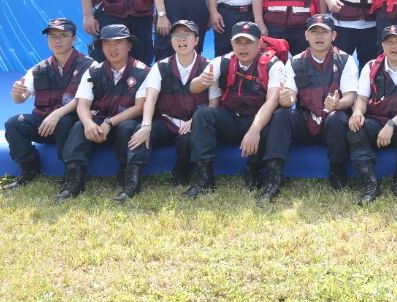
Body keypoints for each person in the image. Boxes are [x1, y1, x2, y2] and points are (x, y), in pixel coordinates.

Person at [185, 20, 287, 201]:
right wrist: (202, 80)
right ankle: (204, 178)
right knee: (203, 114)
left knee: (278, 118)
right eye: (238, 42)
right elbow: (193, 88)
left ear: (259, 44)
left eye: (248, 42)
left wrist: (254, 130)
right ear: (231, 43)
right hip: (231, 119)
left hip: (258, 121)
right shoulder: (222, 61)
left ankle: (258, 171)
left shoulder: (273, 64)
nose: (243, 47)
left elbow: (272, 101)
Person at [56, 24, 149, 202]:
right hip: (98, 124)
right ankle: (74, 180)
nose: (112, 48)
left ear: (129, 45)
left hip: (123, 122)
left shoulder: (143, 71)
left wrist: (110, 122)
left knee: (128, 127)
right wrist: (88, 123)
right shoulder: (93, 71)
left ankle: (126, 176)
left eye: (118, 42)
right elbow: (82, 104)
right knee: (79, 126)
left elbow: (139, 107)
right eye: (107, 43)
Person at [119, 19, 210, 192]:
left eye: (187, 35)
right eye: (176, 35)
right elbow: (151, 97)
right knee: (141, 132)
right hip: (167, 121)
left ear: (196, 40)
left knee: (188, 140)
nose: (181, 39)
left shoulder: (208, 66)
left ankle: (181, 172)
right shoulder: (160, 66)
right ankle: (132, 181)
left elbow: (214, 103)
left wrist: (196, 120)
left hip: (193, 123)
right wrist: (146, 125)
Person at [1, 18, 93, 190]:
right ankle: (29, 169)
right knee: (14, 123)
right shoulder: (38, 68)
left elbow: (84, 99)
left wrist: (57, 114)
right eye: (52, 36)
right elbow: (20, 99)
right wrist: (17, 93)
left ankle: (72, 175)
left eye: (63, 36)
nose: (57, 40)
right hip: (45, 125)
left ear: (74, 39)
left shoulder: (89, 65)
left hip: (72, 125)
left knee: (65, 120)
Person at [273, 14, 359, 193]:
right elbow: (290, 95)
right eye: (314, 32)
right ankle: (274, 174)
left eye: (324, 32)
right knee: (281, 114)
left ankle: (337, 170)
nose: (319, 36)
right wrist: (286, 100)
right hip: (305, 123)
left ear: (333, 35)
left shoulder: (345, 60)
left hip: (331, 126)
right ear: (306, 35)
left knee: (338, 118)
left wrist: (338, 104)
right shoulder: (295, 61)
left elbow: (350, 97)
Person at [346, 24, 397, 205]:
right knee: (355, 128)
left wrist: (391, 124)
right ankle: (370, 184)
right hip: (377, 121)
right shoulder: (371, 67)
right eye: (389, 42)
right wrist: (357, 112)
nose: (394, 46)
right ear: (382, 45)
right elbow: (361, 98)